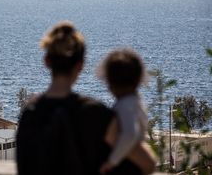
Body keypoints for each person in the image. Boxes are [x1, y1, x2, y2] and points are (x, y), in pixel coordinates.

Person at [16, 21, 156, 175]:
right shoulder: (96, 114)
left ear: (47, 61)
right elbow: (148, 164)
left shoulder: (29, 114)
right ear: (81, 65)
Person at [98, 49, 148, 174]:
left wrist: (111, 161)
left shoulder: (125, 105)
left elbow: (130, 133)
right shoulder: (136, 102)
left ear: (110, 82)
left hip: (126, 166)